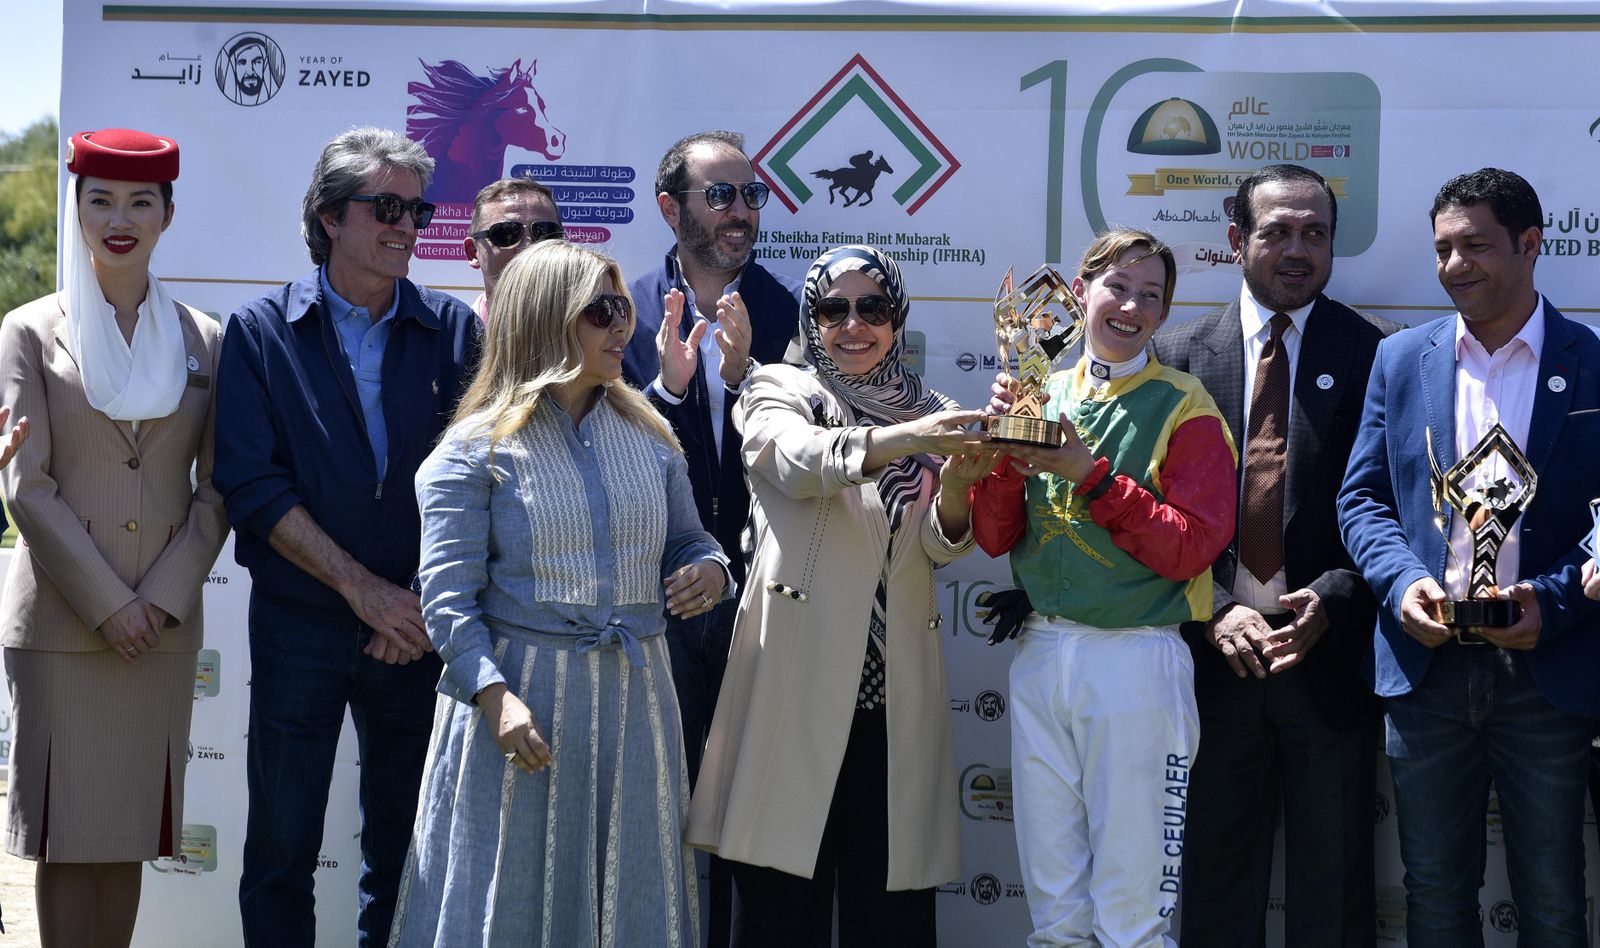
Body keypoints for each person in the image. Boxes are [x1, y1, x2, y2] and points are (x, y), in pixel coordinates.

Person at [388, 240, 728, 946]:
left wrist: (713, 570)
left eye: (623, 309)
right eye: (599, 311)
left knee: (633, 891)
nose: (621, 327)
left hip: (637, 701)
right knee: (508, 895)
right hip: (521, 704)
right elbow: (447, 600)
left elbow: (693, 542)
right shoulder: (472, 450)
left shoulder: (652, 432)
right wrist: (493, 694)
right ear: (545, 319)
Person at [214, 127, 480, 948]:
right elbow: (253, 486)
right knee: (281, 856)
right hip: (303, 627)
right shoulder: (260, 331)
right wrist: (363, 592)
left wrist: (413, 607)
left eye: (418, 207)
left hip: (413, 632)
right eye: (388, 205)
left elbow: (473, 486)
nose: (409, 224)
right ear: (331, 217)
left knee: (406, 861)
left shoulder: (456, 331)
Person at [687, 244, 990, 947]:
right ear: (809, 317)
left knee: (891, 923)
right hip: (794, 685)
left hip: (895, 703)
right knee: (777, 920)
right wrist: (906, 438)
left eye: (873, 308)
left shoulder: (935, 409)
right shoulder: (778, 390)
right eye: (833, 309)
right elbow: (798, 464)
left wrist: (958, 487)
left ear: (897, 316)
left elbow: (941, 548)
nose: (854, 325)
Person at [1337, 168, 1600, 947]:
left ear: (1530, 244)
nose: (1455, 266)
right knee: (1435, 897)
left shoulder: (1592, 359)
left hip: (1547, 670)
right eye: (1444, 250)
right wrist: (1405, 584)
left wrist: (1550, 602)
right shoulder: (1400, 359)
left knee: (1554, 901)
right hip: (1427, 668)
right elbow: (1363, 500)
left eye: (1475, 247)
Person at [1151, 164, 1397, 947]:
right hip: (1210, 672)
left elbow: (1399, 512)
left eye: (1314, 234)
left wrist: (1337, 594)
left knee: (1335, 900)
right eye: (1277, 231)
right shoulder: (1177, 358)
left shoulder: (1377, 357)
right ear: (1236, 241)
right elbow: (1149, 520)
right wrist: (1218, 609)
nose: (1298, 250)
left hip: (1328, 668)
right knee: (1218, 899)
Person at [974, 228, 1237, 948]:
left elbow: (1190, 549)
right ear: (1079, 292)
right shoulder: (1040, 390)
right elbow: (995, 538)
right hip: (1041, 655)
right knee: (1055, 912)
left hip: (1135, 662)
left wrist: (1089, 474)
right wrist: (1008, 454)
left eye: (1151, 295)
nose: (1132, 306)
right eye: (1118, 286)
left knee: (1131, 916)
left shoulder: (1187, 407)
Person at [0, 127, 228, 948]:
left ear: (168, 212)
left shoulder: (207, 339)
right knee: (66, 842)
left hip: (158, 634)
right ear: (78, 208)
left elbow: (218, 493)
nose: (119, 218)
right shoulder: (28, 330)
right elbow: (27, 484)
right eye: (100, 200)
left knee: (128, 838)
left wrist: (157, 602)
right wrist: (108, 604)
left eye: (140, 201)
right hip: (65, 626)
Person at [622, 128, 800, 945]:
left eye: (751, 195)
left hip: (765, 605)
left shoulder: (798, 315)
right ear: (670, 208)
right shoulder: (614, 310)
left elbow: (811, 462)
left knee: (757, 832)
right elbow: (600, 461)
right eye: (721, 195)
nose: (741, 211)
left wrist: (747, 381)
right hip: (651, 606)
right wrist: (666, 388)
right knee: (650, 825)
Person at [463, 176, 563, 321]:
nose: (528, 247)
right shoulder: (451, 339)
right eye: (507, 233)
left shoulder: (596, 335)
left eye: (545, 233)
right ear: (473, 252)